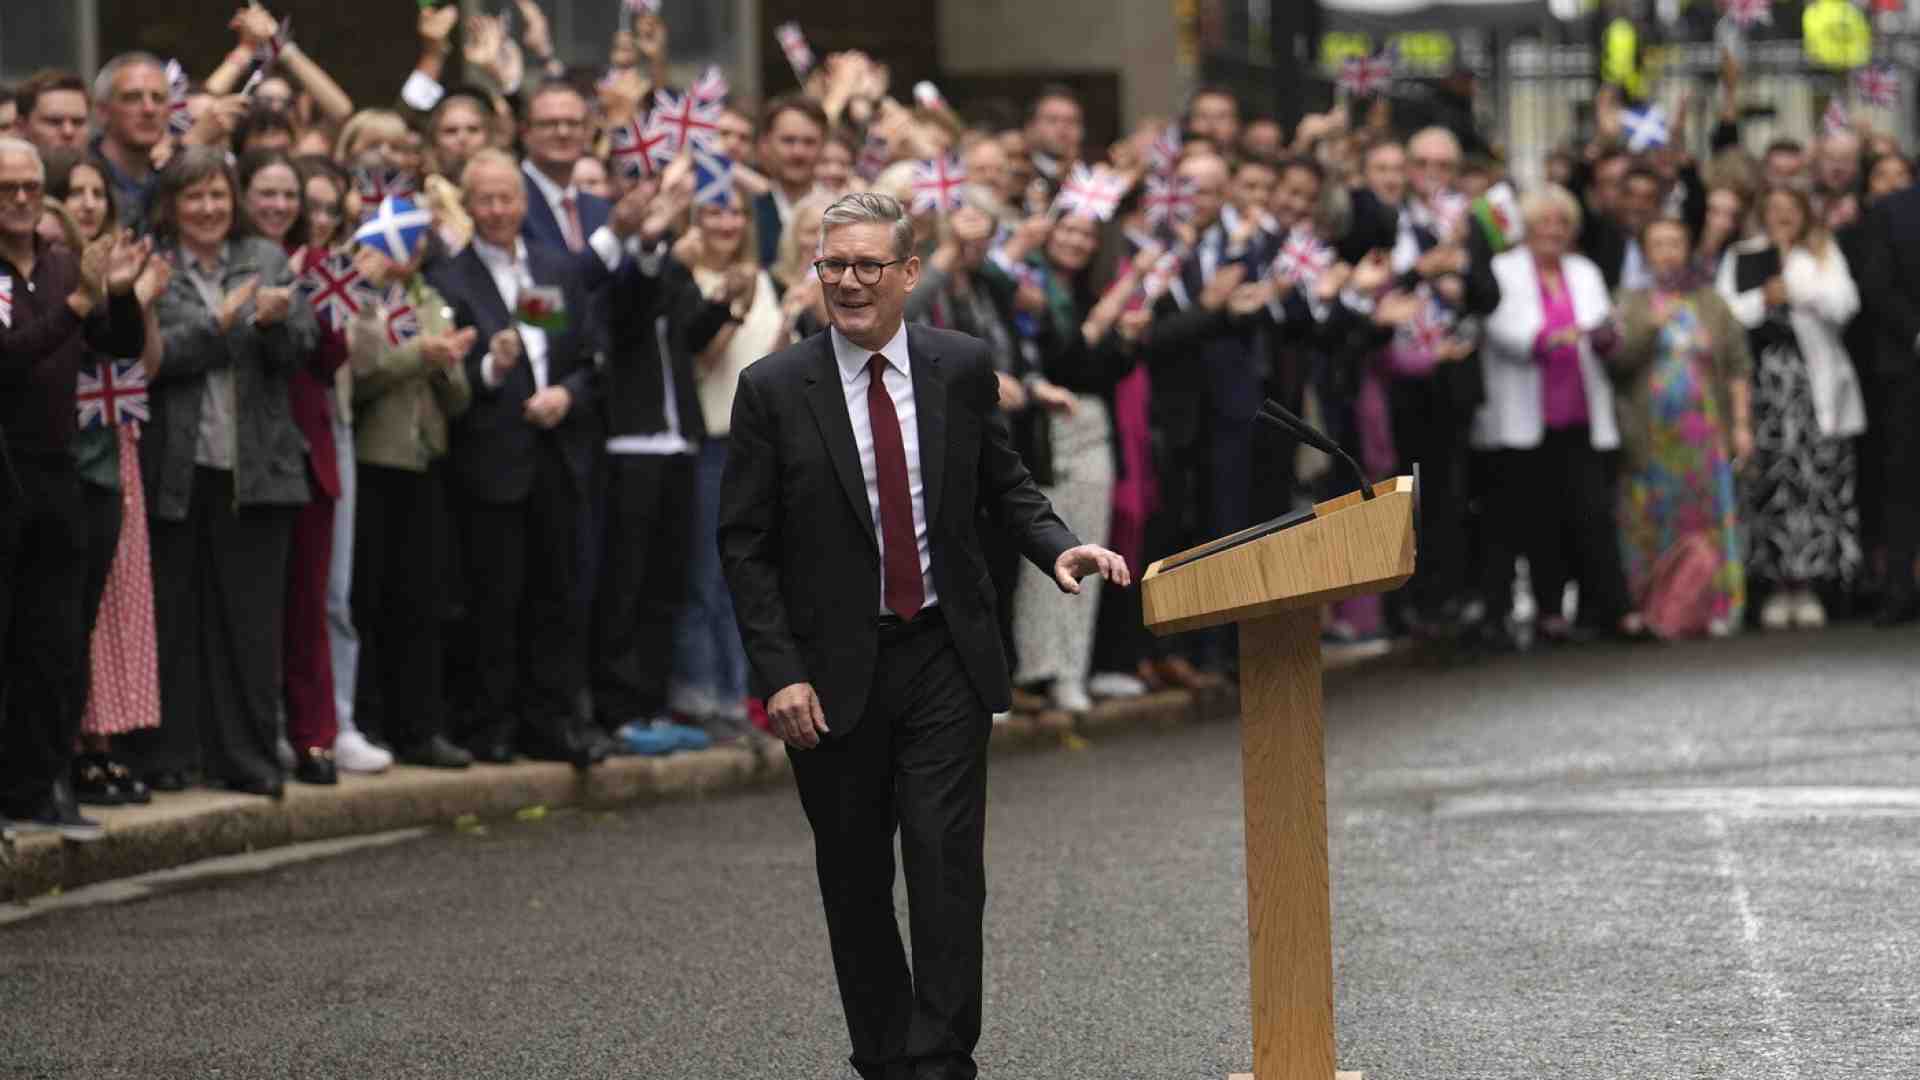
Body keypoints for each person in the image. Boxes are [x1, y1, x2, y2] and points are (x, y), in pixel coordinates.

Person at [718, 192, 1129, 1080]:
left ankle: (940, 1060)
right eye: (836, 266)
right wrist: (780, 673)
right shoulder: (774, 388)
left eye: (871, 266)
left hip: (945, 648)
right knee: (857, 876)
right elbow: (745, 547)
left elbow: (1005, 481)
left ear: (911, 274)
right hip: (830, 673)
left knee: (945, 866)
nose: (852, 283)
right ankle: (883, 1055)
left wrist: (1058, 547)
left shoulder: (958, 364)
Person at [130, 147, 318, 798]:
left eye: (218, 196)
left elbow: (301, 349)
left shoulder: (264, 258)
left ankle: (248, 758)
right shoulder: (155, 267)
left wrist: (270, 326)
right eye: (194, 198)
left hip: (257, 469)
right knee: (175, 618)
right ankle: (170, 756)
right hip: (177, 468)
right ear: (172, 206)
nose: (208, 209)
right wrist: (224, 322)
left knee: (250, 625)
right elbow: (155, 357)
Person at [427, 148, 609, 768]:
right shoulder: (449, 278)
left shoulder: (552, 269)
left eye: (508, 198)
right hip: (489, 462)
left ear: (524, 203)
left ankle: (550, 723)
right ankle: (489, 725)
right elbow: (447, 379)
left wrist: (566, 395)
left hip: (557, 457)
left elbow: (586, 358)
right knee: (492, 599)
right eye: (487, 199)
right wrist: (489, 368)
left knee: (555, 594)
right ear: (469, 206)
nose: (499, 210)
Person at [0, 136, 149, 838]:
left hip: (58, 470)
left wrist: (116, 296)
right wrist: (81, 304)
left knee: (55, 643)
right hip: (5, 466)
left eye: (31, 186)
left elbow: (112, 347)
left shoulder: (62, 266)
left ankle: (39, 786)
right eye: (8, 188)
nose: (23, 199)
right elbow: (10, 358)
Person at [42, 149, 169, 806]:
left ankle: (100, 747)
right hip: (61, 458)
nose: (90, 202)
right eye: (76, 191)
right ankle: (62, 753)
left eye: (99, 191)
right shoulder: (53, 273)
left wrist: (137, 301)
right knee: (64, 617)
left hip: (114, 450)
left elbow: (142, 364)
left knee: (113, 611)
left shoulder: (120, 269)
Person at [1476, 185, 1636, 641]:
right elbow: (1500, 326)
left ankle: (1613, 609)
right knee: (1524, 518)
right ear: (1526, 225)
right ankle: (1532, 612)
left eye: (1562, 222)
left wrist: (1605, 336)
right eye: (1544, 221)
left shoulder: (1583, 270)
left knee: (1591, 514)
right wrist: (1548, 337)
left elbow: (1604, 325)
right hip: (1522, 413)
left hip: (1579, 411)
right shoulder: (1502, 269)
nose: (1553, 230)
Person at [349, 229, 476, 770]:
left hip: (427, 461)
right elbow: (356, 379)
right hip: (375, 462)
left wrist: (445, 361)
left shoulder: (428, 298)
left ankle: (420, 727)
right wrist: (415, 356)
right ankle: (370, 722)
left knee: (421, 601)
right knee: (371, 600)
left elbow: (460, 396)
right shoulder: (361, 293)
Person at [1717, 187, 1864, 630]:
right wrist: (1763, 298)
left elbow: (1845, 305)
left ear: (1802, 215)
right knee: (1769, 483)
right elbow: (1725, 317)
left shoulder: (1821, 253)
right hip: (1761, 386)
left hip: (1810, 385)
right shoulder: (1742, 256)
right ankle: (1775, 585)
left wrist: (1795, 288)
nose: (1781, 217)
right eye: (1773, 211)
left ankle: (1812, 583)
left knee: (1814, 482)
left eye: (1790, 210)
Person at [668, 185, 782, 742]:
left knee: (748, 576)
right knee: (705, 572)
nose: (728, 221)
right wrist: (731, 309)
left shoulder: (762, 280)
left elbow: (775, 361)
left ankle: (739, 695)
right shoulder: (689, 280)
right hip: (710, 440)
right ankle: (698, 692)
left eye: (736, 210)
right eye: (713, 209)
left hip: (759, 445)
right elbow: (701, 364)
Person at [1607, 217, 1753, 637]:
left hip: (1705, 434)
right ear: (1646, 252)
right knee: (1649, 521)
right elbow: (1617, 363)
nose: (1668, 252)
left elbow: (1738, 366)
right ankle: (1653, 609)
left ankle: (1715, 606)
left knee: (1708, 519)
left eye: (1676, 243)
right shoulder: (1629, 300)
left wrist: (1741, 425)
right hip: (1650, 435)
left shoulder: (1710, 302)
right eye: (1659, 244)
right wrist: (1651, 326)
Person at [1857, 160, 1920, 626]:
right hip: (1907, 368)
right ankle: (1899, 588)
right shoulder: (1889, 212)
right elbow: (1877, 283)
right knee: (1902, 480)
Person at [89, 53, 171, 229]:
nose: (149, 109)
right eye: (132, 98)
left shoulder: (171, 179)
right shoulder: (82, 177)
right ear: (103, 111)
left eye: (158, 98)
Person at [752, 94, 828, 266]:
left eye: (809, 142)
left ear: (823, 146)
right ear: (765, 144)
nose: (798, 152)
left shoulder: (839, 211)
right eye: (788, 141)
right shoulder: (746, 214)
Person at [17, 70, 90, 153]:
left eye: (78, 122)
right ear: (22, 127)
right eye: (54, 122)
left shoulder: (104, 165)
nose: (68, 131)